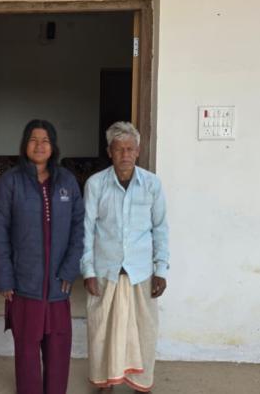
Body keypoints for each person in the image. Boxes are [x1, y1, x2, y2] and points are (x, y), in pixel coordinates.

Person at [0, 119, 85, 394]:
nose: (39, 145)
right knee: (26, 349)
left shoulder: (67, 181)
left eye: (45, 140)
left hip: (58, 283)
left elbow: (79, 227)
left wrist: (70, 268)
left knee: (58, 347)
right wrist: (4, 276)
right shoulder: (11, 181)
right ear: (25, 145)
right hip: (24, 283)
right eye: (33, 139)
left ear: (53, 146)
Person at [81, 121, 170, 393]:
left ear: (138, 151)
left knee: (143, 331)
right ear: (110, 151)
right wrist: (88, 271)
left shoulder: (152, 184)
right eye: (119, 149)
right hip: (105, 270)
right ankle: (104, 382)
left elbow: (160, 228)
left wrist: (161, 270)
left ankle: (141, 384)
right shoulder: (96, 184)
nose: (125, 154)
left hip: (140, 272)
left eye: (130, 149)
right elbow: (87, 229)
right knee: (102, 332)